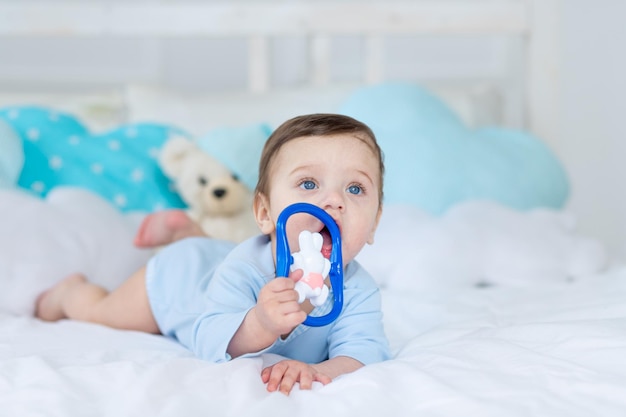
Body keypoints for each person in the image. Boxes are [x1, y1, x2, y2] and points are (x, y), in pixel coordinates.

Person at [35, 113, 390, 395]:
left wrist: (317, 371)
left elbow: (363, 353)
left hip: (213, 256)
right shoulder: (246, 268)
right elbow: (208, 341)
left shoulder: (358, 289)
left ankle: (190, 234)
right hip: (178, 282)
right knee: (104, 313)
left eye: (355, 188)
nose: (333, 201)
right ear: (265, 213)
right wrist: (260, 323)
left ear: (374, 224)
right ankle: (71, 295)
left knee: (214, 254)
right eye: (309, 184)